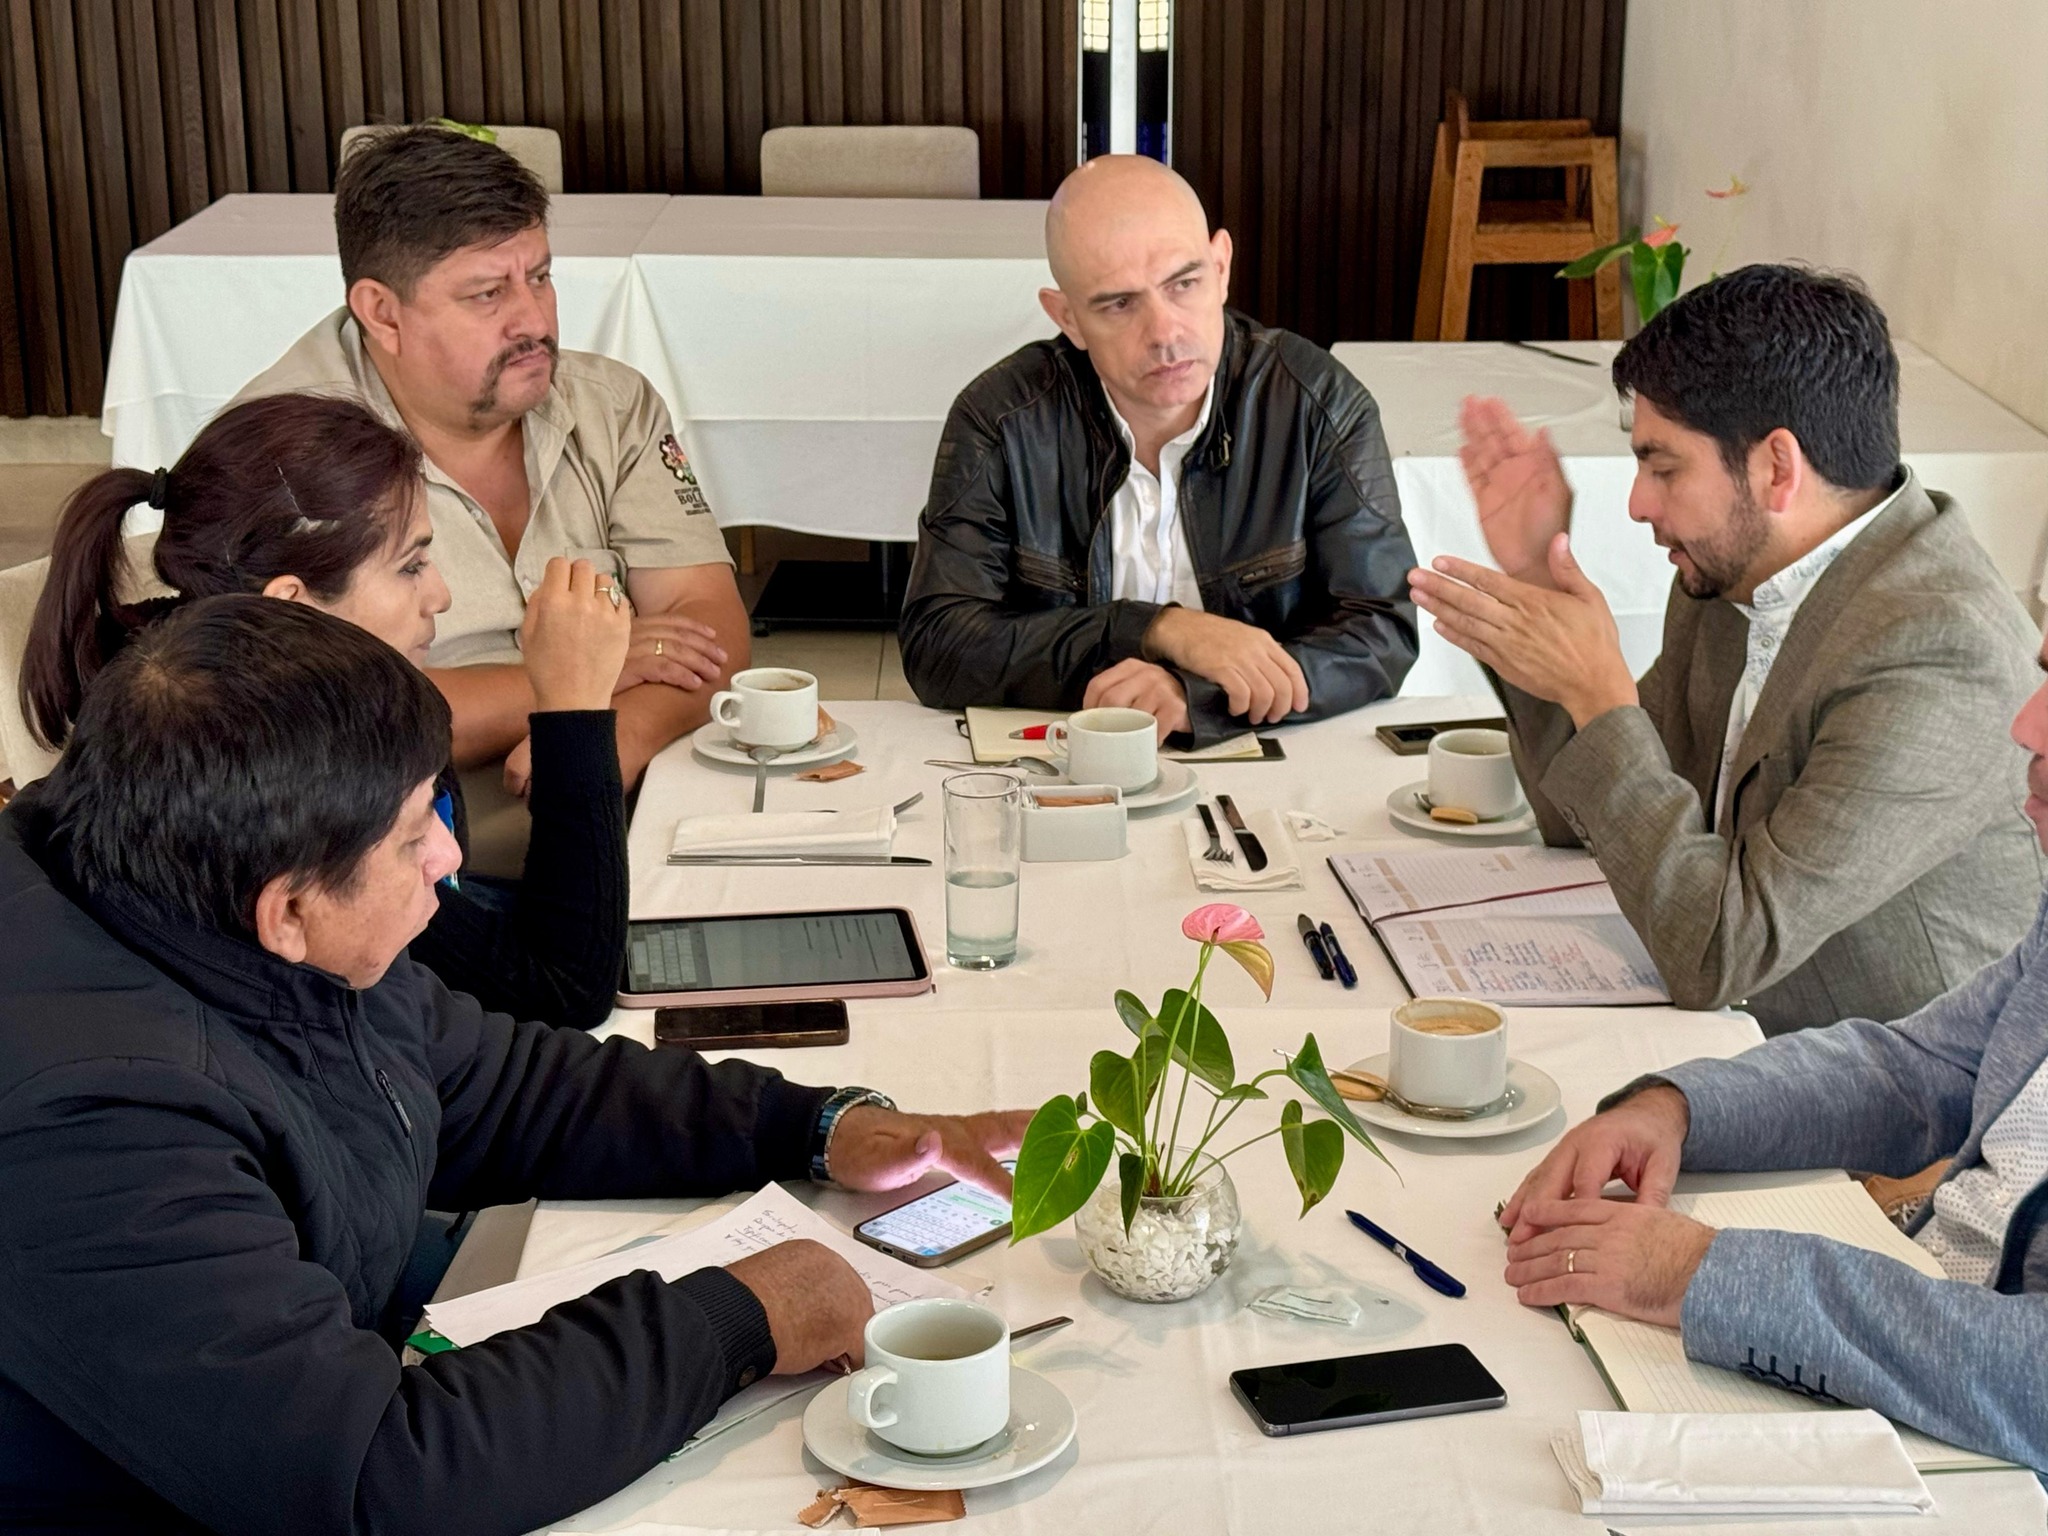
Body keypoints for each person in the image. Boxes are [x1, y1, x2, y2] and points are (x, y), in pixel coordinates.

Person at [0, 594, 1026, 1534]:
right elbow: (370, 1479)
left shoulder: (203, 896)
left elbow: (493, 1086)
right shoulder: (91, 1121)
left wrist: (812, 1126)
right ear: (289, 912)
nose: (450, 861)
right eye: (414, 840)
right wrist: (740, 1315)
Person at [1409, 265, 2041, 1033]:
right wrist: (1543, 586)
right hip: (1741, 1037)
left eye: (1662, 465)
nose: (1638, 504)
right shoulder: (1733, 575)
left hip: (1900, 1114)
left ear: (1778, 467)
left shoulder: (1938, 652)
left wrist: (1602, 700)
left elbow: (1717, 953)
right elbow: (1589, 825)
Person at [1495, 622, 2048, 1475]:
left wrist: (1706, 1276)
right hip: (1927, 1354)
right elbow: (1923, 1067)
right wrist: (1677, 1109)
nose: (2026, 726)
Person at [19, 392, 630, 1031]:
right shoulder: (290, 784)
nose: (440, 596)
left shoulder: (206, 683)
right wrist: (573, 706)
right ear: (293, 604)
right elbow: (563, 990)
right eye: (411, 565)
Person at [236, 123, 748, 841]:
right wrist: (576, 684)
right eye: (486, 294)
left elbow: (709, 628)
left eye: (540, 276)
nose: (534, 319)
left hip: (635, 806)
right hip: (409, 860)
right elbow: (320, 720)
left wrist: (609, 743)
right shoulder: (278, 449)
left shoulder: (611, 402)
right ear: (382, 312)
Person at [899, 154, 1418, 745]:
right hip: (1065, 768)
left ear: (1222, 267)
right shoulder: (1000, 418)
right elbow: (938, 646)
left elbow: (1381, 631)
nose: (1166, 333)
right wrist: (1156, 630)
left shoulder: (1319, 404)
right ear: (1067, 317)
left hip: (1263, 761)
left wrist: (1194, 696)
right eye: (1119, 304)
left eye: (1184, 284)